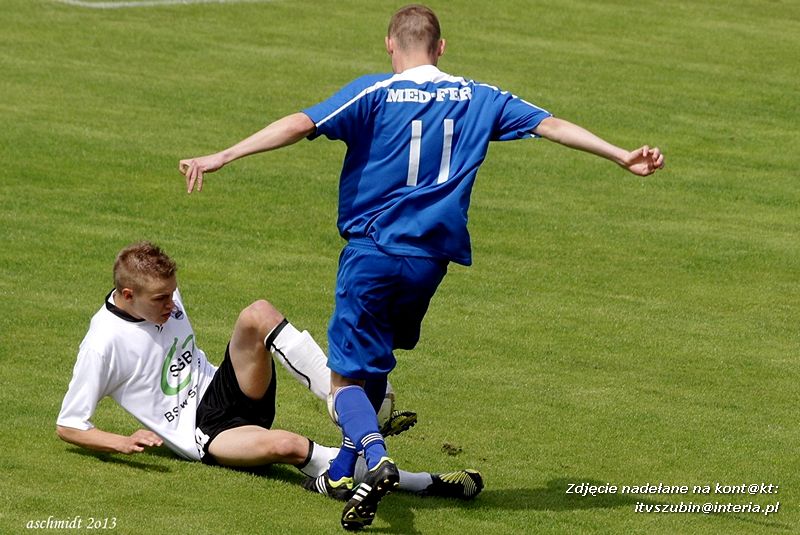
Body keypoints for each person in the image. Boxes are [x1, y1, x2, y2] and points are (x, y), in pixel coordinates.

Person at [179, 4, 664, 530]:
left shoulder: (376, 92)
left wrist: (223, 155)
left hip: (373, 253)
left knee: (343, 382)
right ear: (441, 47)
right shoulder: (479, 96)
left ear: (391, 44)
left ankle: (376, 456)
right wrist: (620, 154)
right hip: (430, 263)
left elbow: (301, 123)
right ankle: (341, 472)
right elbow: (552, 125)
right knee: (373, 367)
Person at [56, 241, 484, 502]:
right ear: (127, 294)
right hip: (206, 433)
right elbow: (70, 425)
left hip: (225, 388)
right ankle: (430, 483)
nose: (171, 304)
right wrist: (121, 441)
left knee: (257, 314)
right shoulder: (102, 344)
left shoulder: (158, 293)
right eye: (161, 300)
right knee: (289, 445)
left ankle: (342, 398)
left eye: (172, 294)